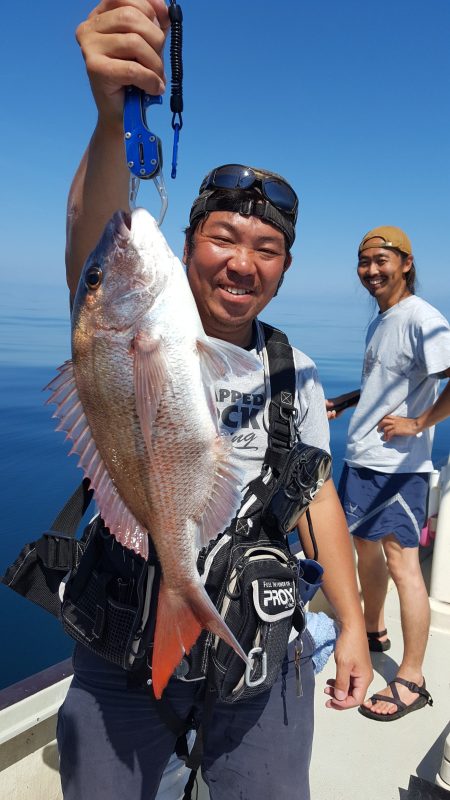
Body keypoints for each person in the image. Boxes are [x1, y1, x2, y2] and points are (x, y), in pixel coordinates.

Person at [56, 2, 372, 798]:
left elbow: (317, 498)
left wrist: (353, 625)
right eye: (223, 237)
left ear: (285, 269)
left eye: (267, 249)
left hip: (258, 648)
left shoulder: (295, 372)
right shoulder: (123, 326)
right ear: (188, 242)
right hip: (123, 643)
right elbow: (93, 240)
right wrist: (111, 119)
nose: (242, 262)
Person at [328, 225, 450, 721]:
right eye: (365, 262)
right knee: (364, 550)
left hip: (398, 468)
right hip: (363, 459)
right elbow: (391, 381)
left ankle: (412, 678)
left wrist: (419, 423)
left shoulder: (423, 317)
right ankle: (373, 629)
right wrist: (349, 400)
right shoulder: (383, 319)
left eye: (382, 260)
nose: (372, 270)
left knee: (404, 566)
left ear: (406, 263)